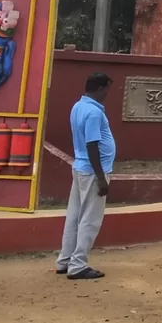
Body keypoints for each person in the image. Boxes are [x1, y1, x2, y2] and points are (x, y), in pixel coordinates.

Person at [56, 72, 116, 279]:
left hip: (80, 167)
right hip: (92, 171)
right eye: (107, 89)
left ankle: (65, 260)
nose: (108, 93)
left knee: (74, 216)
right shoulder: (93, 112)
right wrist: (101, 177)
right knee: (90, 219)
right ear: (99, 88)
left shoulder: (78, 106)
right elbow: (92, 145)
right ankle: (78, 265)